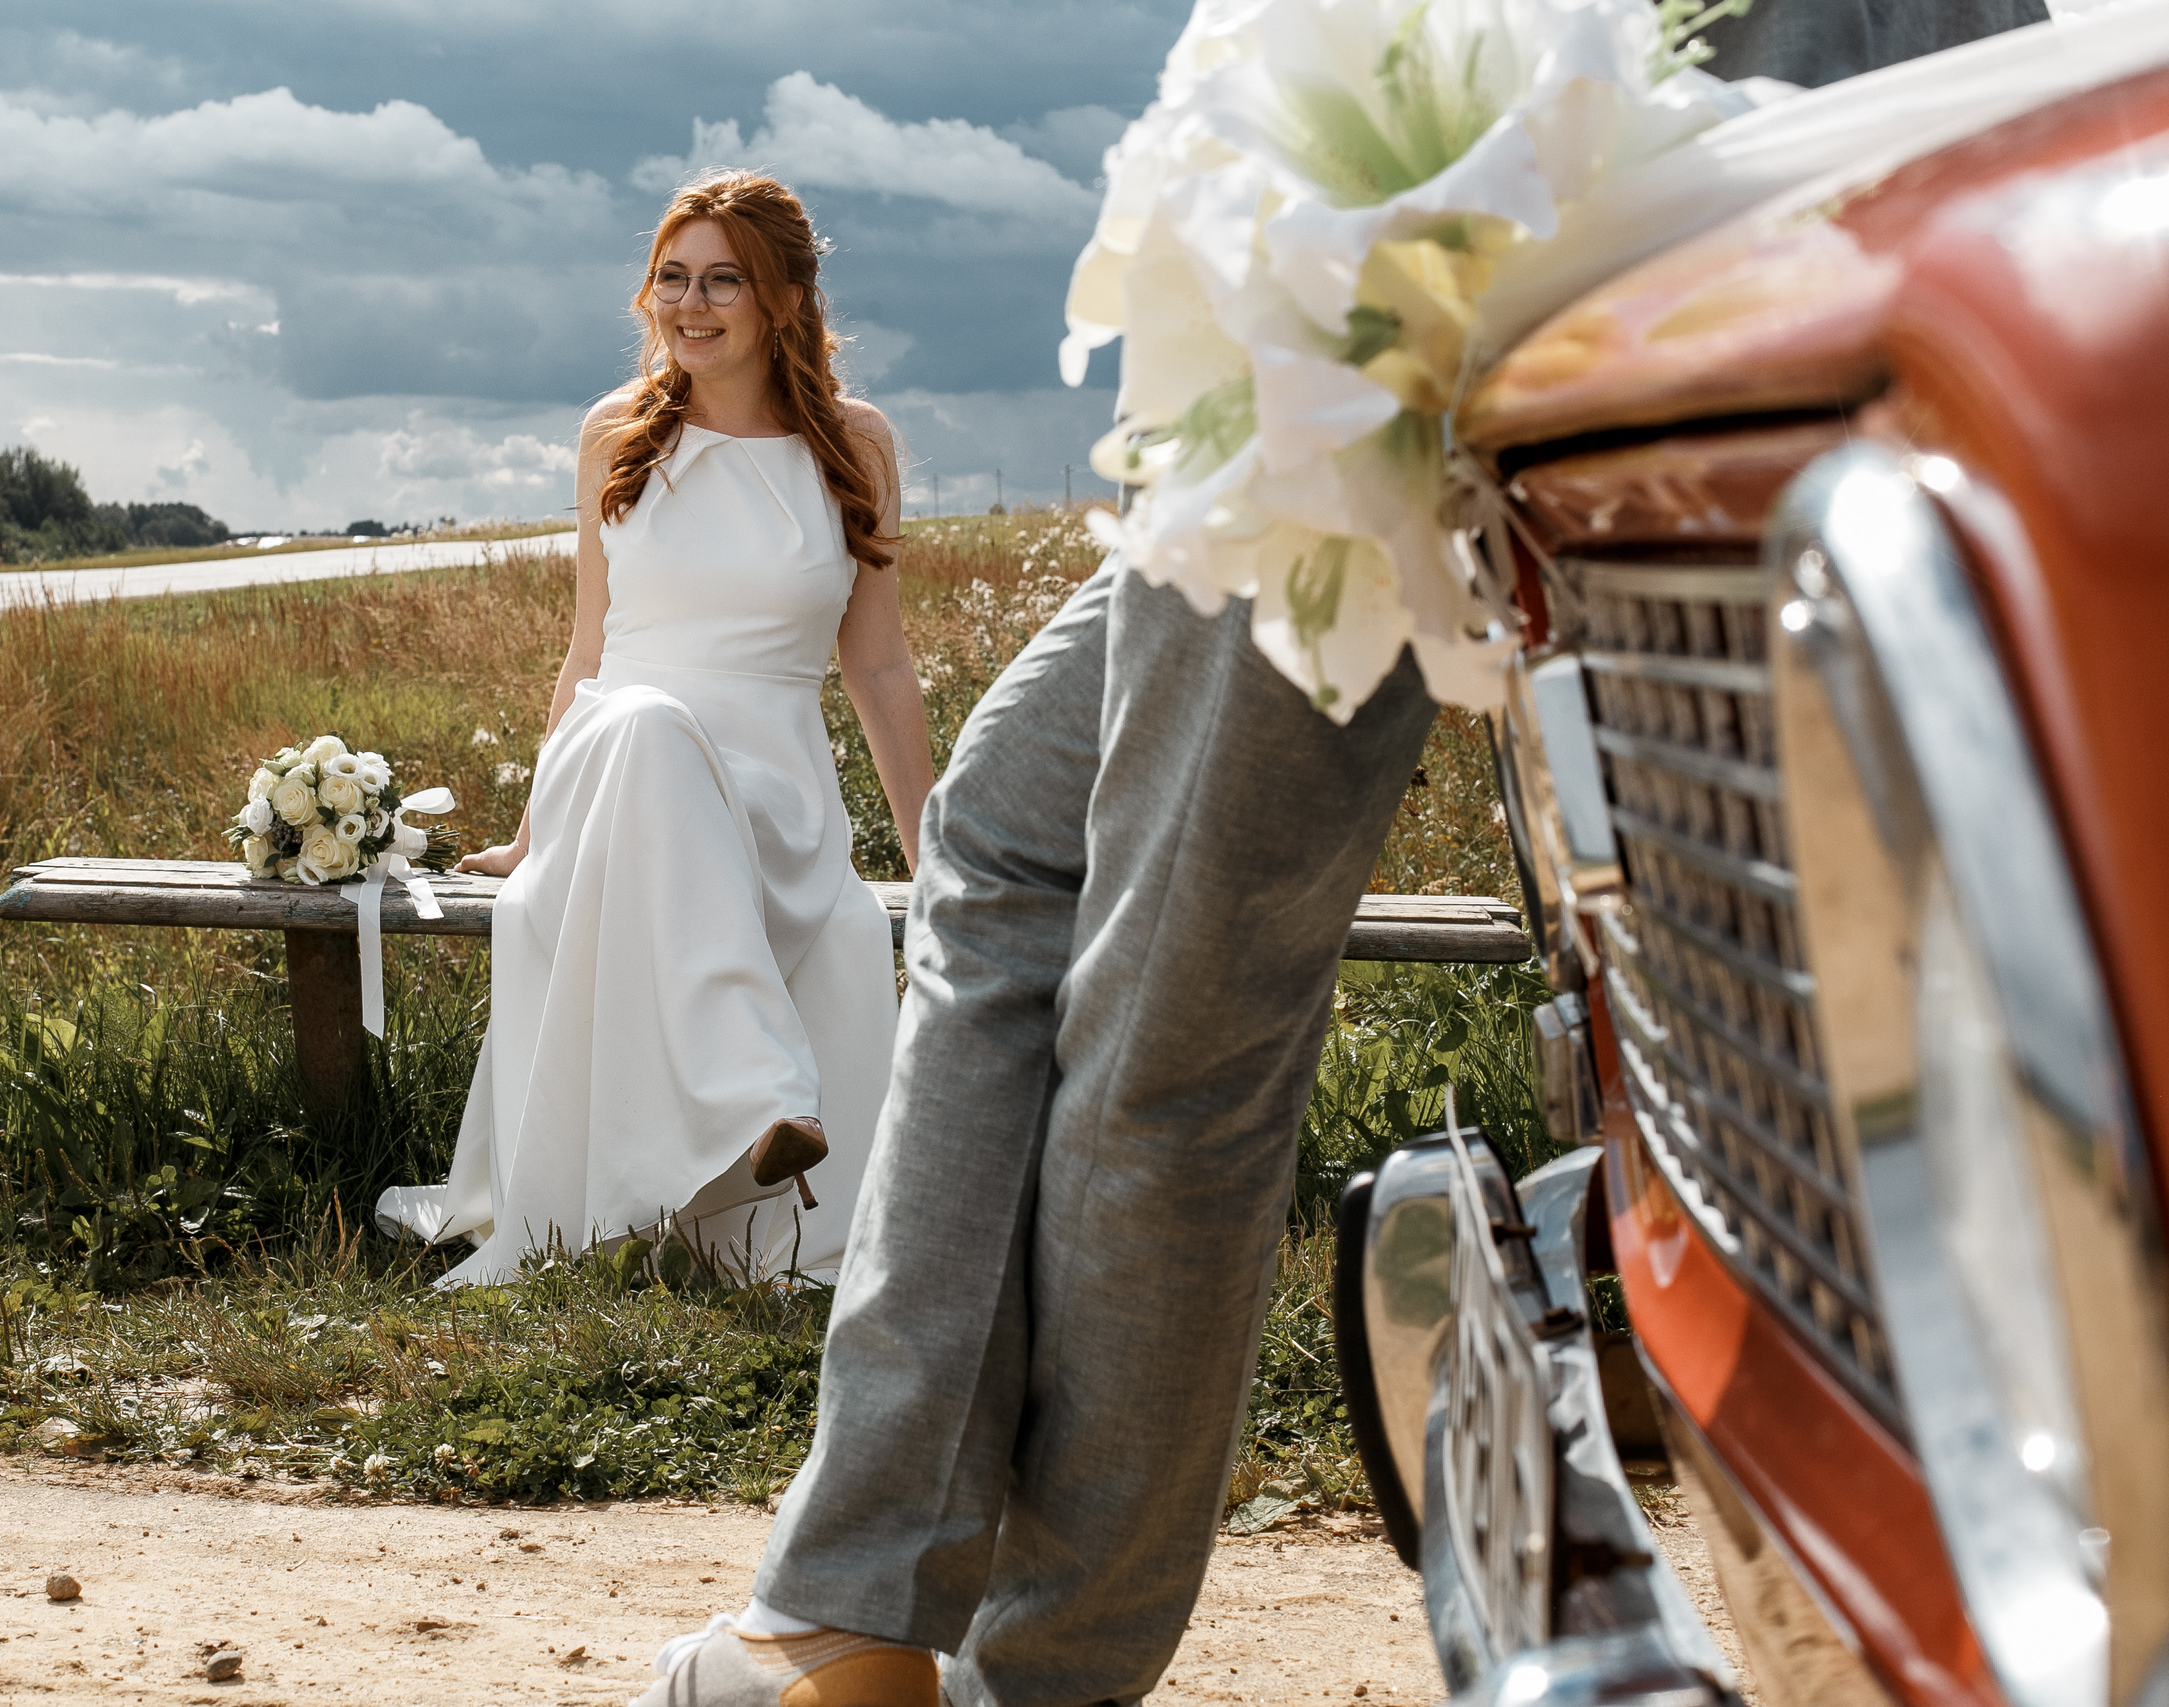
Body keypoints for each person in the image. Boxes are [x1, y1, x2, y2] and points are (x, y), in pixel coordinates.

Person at [633, 4, 2052, 1705]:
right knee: (1018, 817)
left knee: (1179, 1010)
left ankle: (1024, 1666)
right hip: (1442, 185)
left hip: (1557, 195)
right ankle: (867, 1596)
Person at [372, 172, 935, 1286]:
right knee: (642, 719)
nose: (692, 304)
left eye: (724, 279)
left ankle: (744, 1163)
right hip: (616, 777)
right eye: (672, 279)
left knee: (671, 743)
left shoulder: (855, 446)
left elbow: (875, 664)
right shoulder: (615, 436)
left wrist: (938, 859)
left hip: (771, 791)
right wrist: (537, 837)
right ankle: (760, 1100)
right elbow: (588, 654)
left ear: (782, 298)